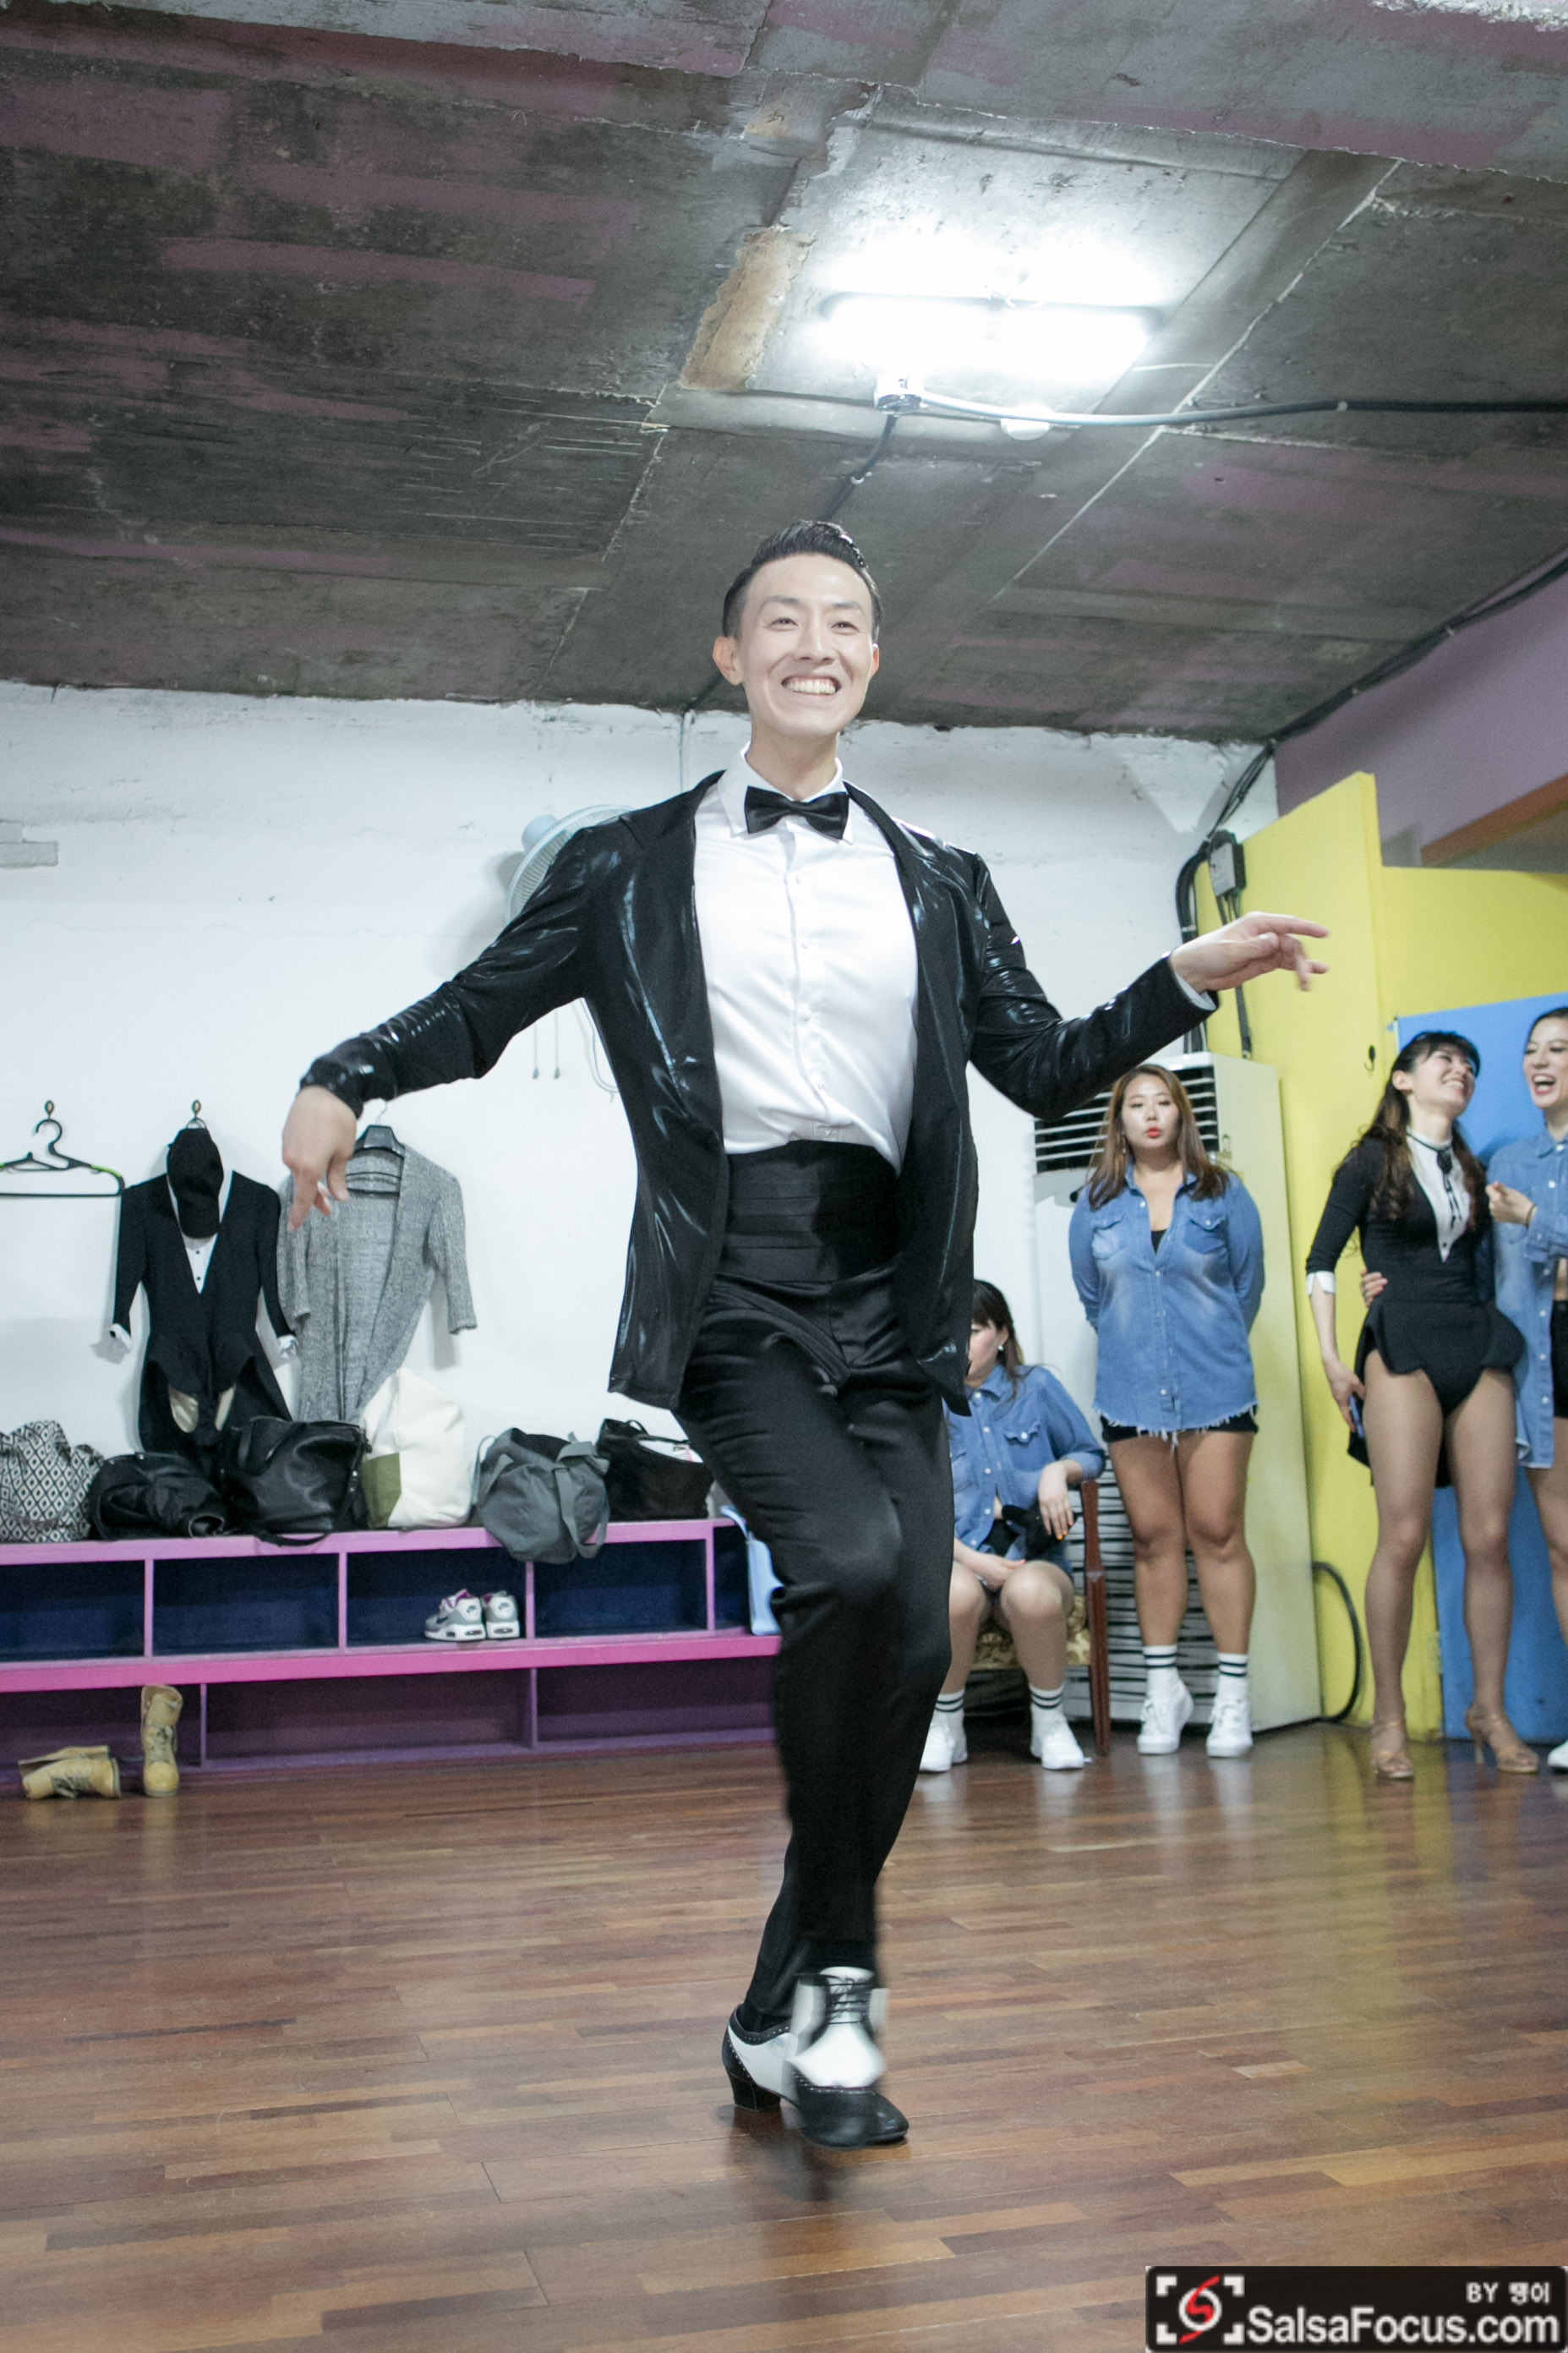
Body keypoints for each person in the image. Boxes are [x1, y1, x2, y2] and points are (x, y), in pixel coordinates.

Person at [280, 517, 1327, 2151]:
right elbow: (481, 1004)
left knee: (910, 1631)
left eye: (843, 620)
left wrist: (1180, 976)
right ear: (731, 654)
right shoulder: (625, 864)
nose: (813, 643)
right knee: (846, 1561)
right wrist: (346, 1072)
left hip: (897, 1290)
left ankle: (773, 2006)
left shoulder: (940, 877)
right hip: (729, 1282)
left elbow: (1048, 1064)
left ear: (874, 659)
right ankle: (845, 1979)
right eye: (781, 619)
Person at [1306, 1032, 1527, 1780]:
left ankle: (1489, 1709)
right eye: (1444, 1060)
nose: (1460, 1070)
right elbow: (1319, 1260)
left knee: (1488, 1537)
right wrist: (1332, 1359)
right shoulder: (1370, 1158)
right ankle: (1390, 1716)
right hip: (1400, 1340)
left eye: (1470, 1065)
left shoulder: (1474, 1165)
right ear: (1402, 1079)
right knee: (1402, 1535)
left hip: (1475, 1338)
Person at [1068, 1064, 1266, 1759]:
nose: (1150, 1114)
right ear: (1119, 1122)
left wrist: (1200, 1342)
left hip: (1216, 1388)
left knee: (1216, 1531)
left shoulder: (1222, 1192)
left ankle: (1233, 1697)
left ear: (1181, 1114)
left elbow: (1246, 1288)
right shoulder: (1094, 1204)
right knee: (1154, 1539)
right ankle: (1163, 1690)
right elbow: (1093, 1299)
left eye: (1163, 1102)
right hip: (1130, 1392)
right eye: (1136, 1105)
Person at [921, 1279, 1106, 1776]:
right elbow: (910, 1500)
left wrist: (1057, 1471)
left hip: (1034, 1558)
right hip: (960, 1557)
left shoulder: (1037, 1388)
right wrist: (971, 1560)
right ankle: (945, 1726)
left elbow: (1090, 1454)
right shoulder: (928, 1401)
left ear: (1002, 1334)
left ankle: (1050, 1724)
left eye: (973, 1330)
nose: (961, 1343)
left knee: (1032, 1596)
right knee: (952, 1596)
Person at [1452, 1009, 1566, 1768]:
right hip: (1543, 1359)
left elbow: (1537, 1234)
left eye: (1557, 1049)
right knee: (1563, 1547)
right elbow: (1473, 1266)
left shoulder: (1523, 1190)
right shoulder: (1506, 1158)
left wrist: (1536, 1218)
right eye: (1531, 1050)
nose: (1539, 1061)